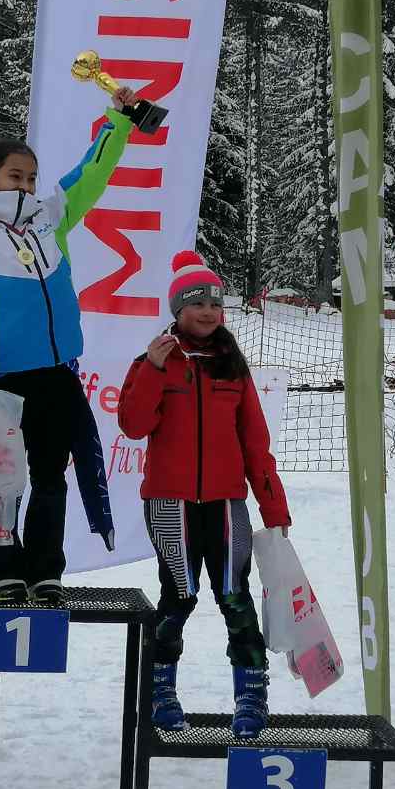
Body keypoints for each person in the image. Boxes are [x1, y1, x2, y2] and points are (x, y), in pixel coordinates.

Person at [0, 85, 139, 606]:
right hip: (0, 378)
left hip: (55, 373)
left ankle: (47, 571)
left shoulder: (49, 219)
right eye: (14, 176)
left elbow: (90, 175)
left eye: (30, 176)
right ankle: (4, 572)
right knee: (0, 481)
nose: (25, 185)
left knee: (51, 478)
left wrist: (117, 121)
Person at [118, 250, 290, 740]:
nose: (207, 312)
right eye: (196, 303)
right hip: (168, 502)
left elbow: (256, 441)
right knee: (179, 597)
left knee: (235, 598)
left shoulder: (232, 366)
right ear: (177, 309)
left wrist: (273, 507)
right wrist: (152, 369)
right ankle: (160, 691)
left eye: (214, 302)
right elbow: (132, 425)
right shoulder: (153, 361)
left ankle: (252, 697)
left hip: (226, 502)